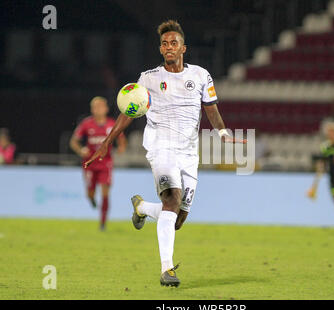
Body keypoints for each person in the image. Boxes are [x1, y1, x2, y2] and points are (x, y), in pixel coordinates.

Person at [84, 20, 246, 287]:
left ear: (184, 48)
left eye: (174, 43)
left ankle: (143, 208)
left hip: (189, 153)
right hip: (161, 147)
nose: (169, 47)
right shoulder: (148, 78)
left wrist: (223, 132)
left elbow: (211, 109)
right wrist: (108, 141)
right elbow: (129, 111)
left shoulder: (201, 76)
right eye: (164, 44)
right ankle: (167, 269)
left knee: (178, 218)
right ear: (161, 49)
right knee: (171, 201)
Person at [70, 96, 128, 231]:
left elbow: (121, 139)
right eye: (95, 107)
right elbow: (73, 141)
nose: (98, 109)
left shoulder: (112, 124)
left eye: (101, 106)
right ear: (92, 109)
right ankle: (91, 198)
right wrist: (81, 150)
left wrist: (121, 147)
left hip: (105, 163)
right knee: (90, 192)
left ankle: (103, 223)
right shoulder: (86, 124)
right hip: (90, 162)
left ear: (106, 109)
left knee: (105, 192)